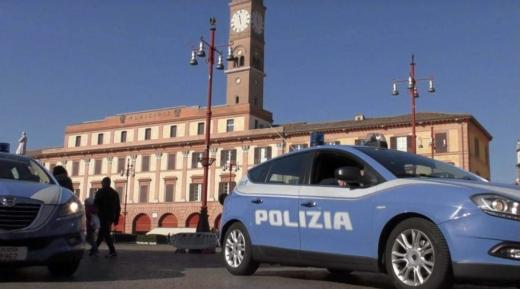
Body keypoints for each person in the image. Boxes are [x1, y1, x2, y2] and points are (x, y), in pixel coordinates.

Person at [92, 177, 121, 258]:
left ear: (104, 183)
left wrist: (93, 214)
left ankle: (112, 251)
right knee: (103, 233)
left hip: (102, 216)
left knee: (105, 234)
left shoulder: (100, 192)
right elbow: (118, 207)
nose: (101, 184)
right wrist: (116, 219)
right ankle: (93, 250)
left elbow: (95, 204)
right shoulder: (115, 193)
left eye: (102, 182)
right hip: (111, 217)